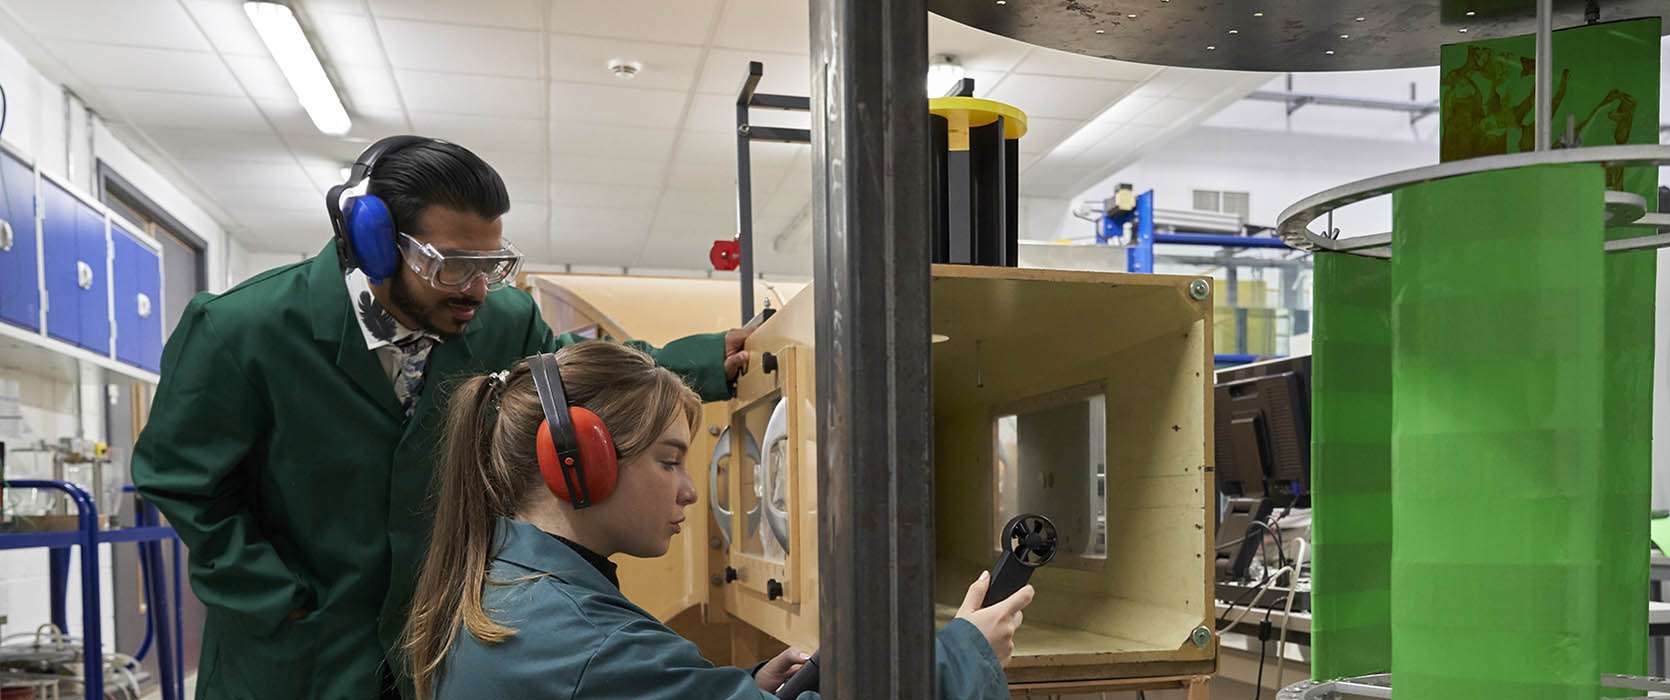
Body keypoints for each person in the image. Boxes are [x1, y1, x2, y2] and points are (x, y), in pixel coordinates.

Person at [131, 136, 756, 699]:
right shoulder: (242, 330)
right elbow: (179, 480)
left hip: (425, 646)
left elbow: (587, 385)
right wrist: (282, 600)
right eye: (451, 264)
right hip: (292, 659)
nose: (476, 290)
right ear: (373, 242)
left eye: (491, 266)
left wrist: (705, 363)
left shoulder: (503, 322)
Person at [406, 342, 1033, 698]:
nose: (688, 492)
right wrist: (965, 654)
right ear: (581, 464)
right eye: (670, 461)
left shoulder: (512, 588)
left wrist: (748, 688)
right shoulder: (585, 645)